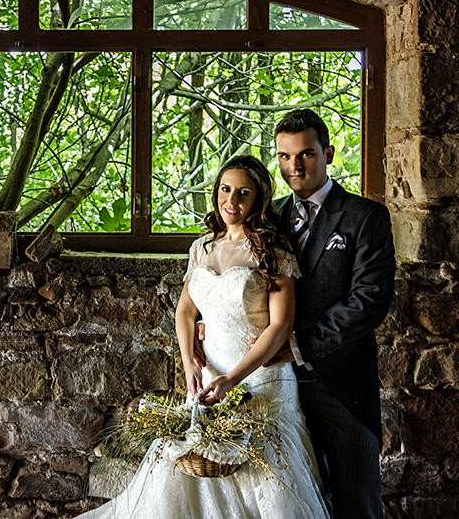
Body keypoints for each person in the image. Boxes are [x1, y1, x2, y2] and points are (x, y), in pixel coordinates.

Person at [76, 155, 329, 519]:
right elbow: (185, 311)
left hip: (261, 379)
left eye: (244, 192)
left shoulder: (273, 252)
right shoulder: (202, 248)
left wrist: (233, 378)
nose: (232, 201)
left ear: (259, 199)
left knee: (265, 481)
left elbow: (280, 327)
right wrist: (189, 363)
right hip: (209, 376)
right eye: (225, 190)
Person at [267, 109, 395, 518]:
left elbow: (368, 301)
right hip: (276, 386)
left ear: (329, 153)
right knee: (291, 502)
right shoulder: (270, 219)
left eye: (305, 154)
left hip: (341, 384)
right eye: (284, 156)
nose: (294, 166)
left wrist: (300, 345)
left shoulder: (364, 217)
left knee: (357, 504)